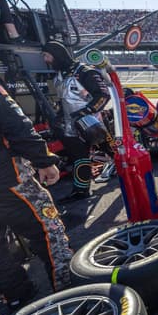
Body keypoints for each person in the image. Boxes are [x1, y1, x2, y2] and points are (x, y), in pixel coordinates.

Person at [0, 81, 72, 314]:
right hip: (9, 181)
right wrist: (43, 160)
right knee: (49, 231)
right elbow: (16, 125)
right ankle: (70, 292)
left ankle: (16, 296)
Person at [42, 40, 110, 203]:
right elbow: (64, 101)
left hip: (94, 124)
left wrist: (84, 112)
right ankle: (81, 191)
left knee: (114, 151)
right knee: (79, 157)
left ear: (57, 55)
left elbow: (103, 95)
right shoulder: (58, 75)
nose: (45, 60)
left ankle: (133, 175)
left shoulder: (84, 71)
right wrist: (58, 118)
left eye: (47, 55)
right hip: (70, 126)